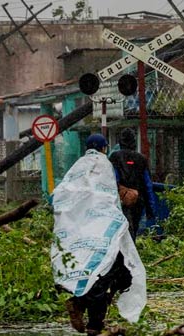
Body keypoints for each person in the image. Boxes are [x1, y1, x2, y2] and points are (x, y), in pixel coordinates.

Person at [51, 133, 146, 335]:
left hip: (84, 230)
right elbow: (113, 193)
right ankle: (94, 323)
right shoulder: (106, 165)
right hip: (107, 228)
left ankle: (82, 306)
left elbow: (61, 195)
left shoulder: (77, 167)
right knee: (108, 274)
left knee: (106, 273)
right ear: (104, 148)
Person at [109, 129, 156, 241]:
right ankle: (130, 255)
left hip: (119, 202)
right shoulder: (141, 159)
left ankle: (121, 256)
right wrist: (151, 209)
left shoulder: (114, 157)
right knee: (133, 230)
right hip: (137, 202)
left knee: (120, 232)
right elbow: (148, 185)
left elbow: (112, 179)